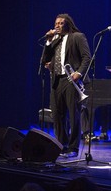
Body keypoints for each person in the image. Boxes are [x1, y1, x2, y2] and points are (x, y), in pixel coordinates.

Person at [42, 14, 91, 158]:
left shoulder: (77, 36)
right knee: (57, 114)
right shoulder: (54, 41)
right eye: (56, 23)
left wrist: (79, 73)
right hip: (56, 80)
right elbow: (44, 59)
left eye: (61, 23)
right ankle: (61, 144)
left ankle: (73, 147)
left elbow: (86, 57)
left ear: (68, 24)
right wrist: (48, 42)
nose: (57, 26)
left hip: (71, 80)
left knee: (73, 113)